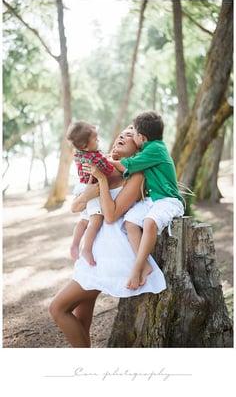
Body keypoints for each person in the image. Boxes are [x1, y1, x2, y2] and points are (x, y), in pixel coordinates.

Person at [49, 127, 166, 348]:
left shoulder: (135, 176)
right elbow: (76, 207)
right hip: (94, 253)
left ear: (139, 147)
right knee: (81, 319)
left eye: (130, 135)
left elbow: (111, 217)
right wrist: (89, 191)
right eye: (122, 133)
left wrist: (101, 182)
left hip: (111, 254)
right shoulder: (99, 164)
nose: (123, 135)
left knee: (57, 308)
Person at [110, 111, 185, 290]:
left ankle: (136, 268)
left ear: (141, 138)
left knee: (149, 222)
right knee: (129, 222)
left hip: (168, 200)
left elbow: (124, 165)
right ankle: (145, 265)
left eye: (133, 133)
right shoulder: (147, 148)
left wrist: (101, 160)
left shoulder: (155, 149)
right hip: (153, 200)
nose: (130, 135)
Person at [67, 120, 114, 265]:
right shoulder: (95, 157)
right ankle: (86, 248)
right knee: (96, 219)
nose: (98, 140)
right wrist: (108, 160)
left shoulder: (79, 154)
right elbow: (109, 170)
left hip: (81, 186)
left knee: (83, 220)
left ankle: (74, 244)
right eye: (95, 138)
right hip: (92, 188)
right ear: (84, 145)